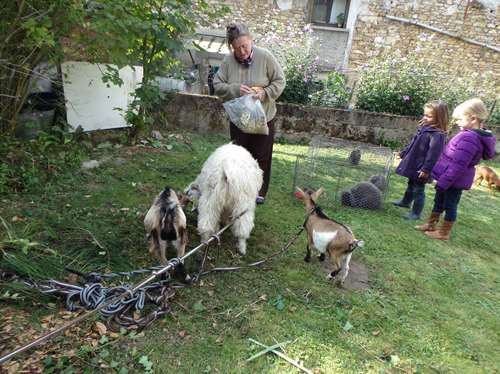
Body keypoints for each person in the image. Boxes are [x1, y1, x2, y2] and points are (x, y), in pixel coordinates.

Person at [213, 23, 286, 205]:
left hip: (264, 118)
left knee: (261, 156)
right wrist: (236, 89)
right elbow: (217, 85)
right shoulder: (228, 62)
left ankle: (258, 193)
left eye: (245, 46)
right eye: (237, 48)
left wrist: (264, 93)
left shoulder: (265, 57)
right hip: (239, 120)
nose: (242, 51)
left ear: (251, 41)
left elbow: (280, 80)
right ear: (232, 47)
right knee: (239, 156)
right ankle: (238, 191)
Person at [416, 98, 496, 240]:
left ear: (472, 118)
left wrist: (443, 182)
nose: (457, 122)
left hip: (454, 180)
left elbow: (458, 165)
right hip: (447, 177)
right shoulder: (469, 134)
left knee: (450, 205)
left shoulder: (469, 138)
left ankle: (443, 233)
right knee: (439, 201)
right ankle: (430, 224)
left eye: (460, 119)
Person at [393, 101, 448, 220]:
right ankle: (405, 201)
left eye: (429, 116)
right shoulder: (425, 128)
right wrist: (403, 153)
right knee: (411, 183)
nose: (425, 117)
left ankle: (416, 213)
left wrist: (426, 169)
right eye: (424, 114)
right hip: (414, 163)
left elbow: (434, 155)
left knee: (419, 189)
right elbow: (414, 144)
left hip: (422, 168)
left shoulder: (438, 135)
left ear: (439, 118)